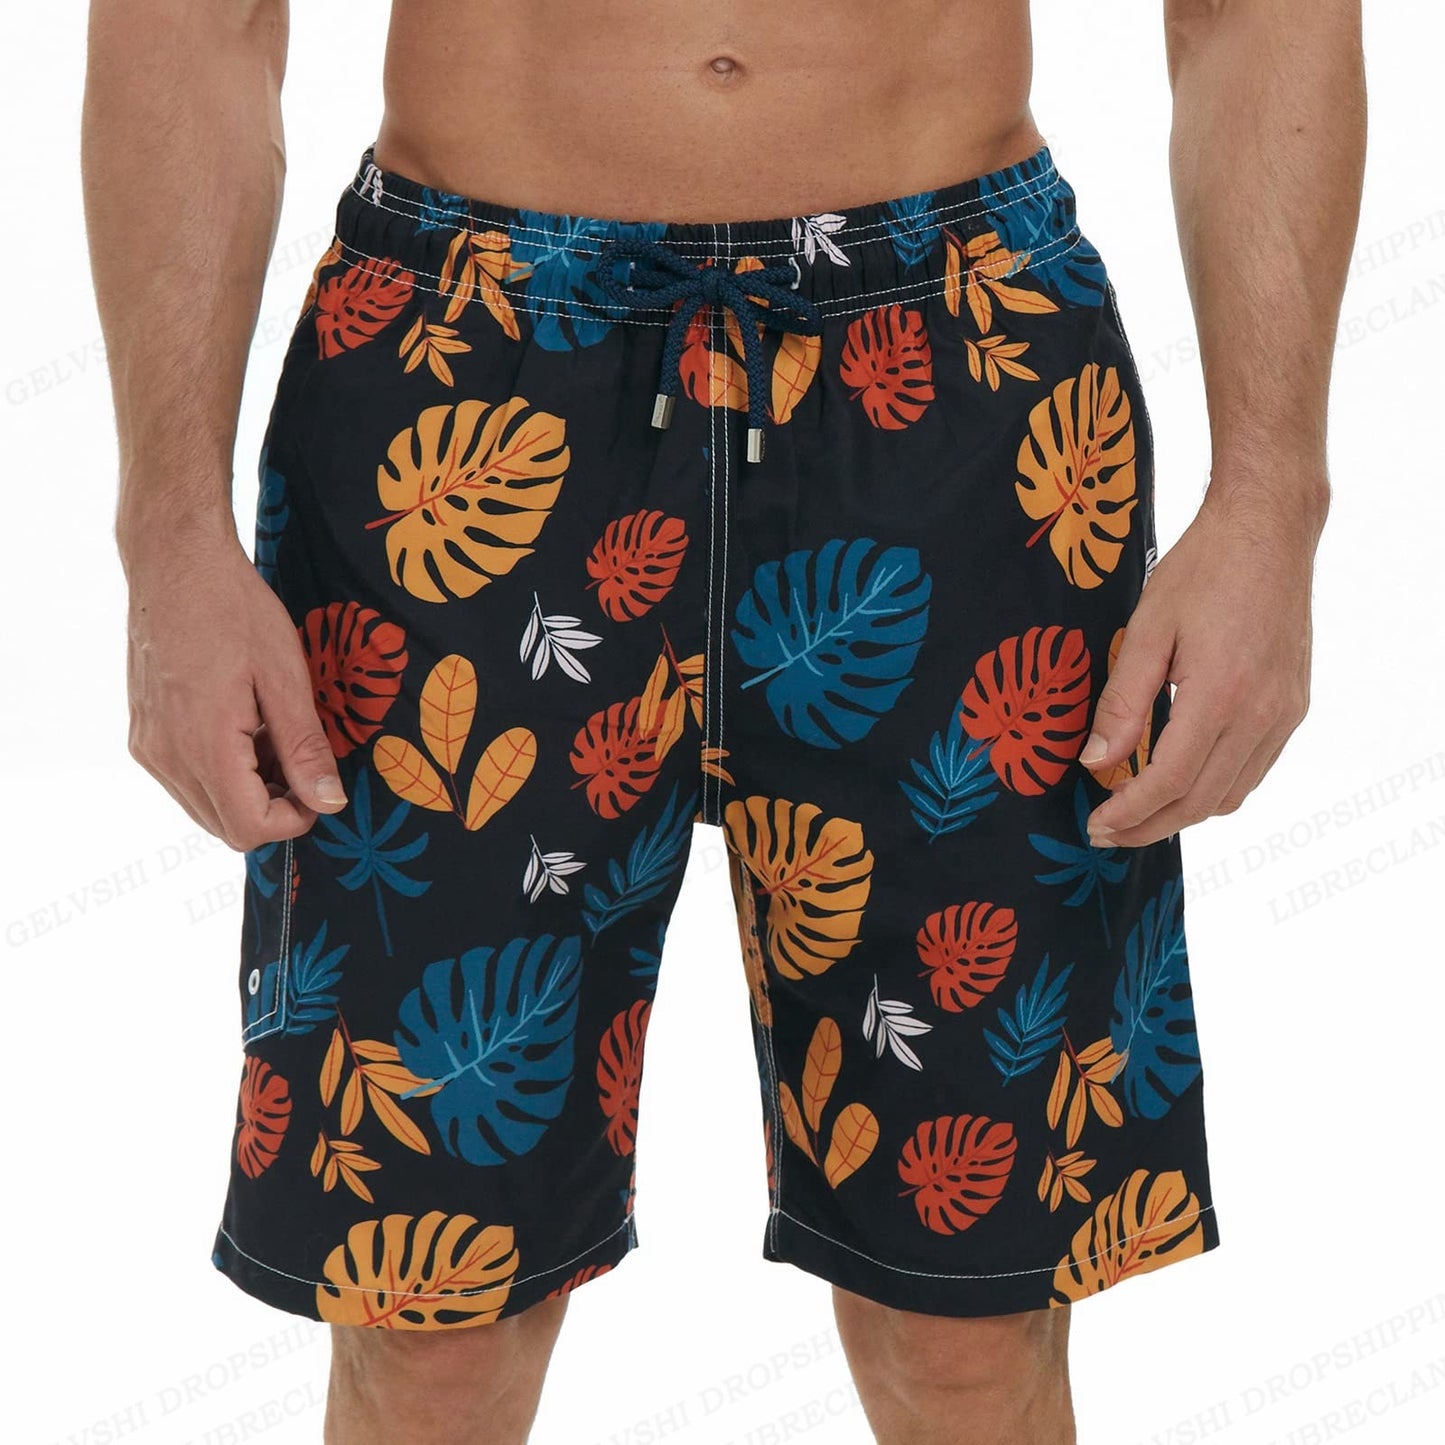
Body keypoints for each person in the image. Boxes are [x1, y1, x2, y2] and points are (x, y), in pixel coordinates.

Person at [81, 2, 1365, 1441]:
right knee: (426, 1315)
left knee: (970, 1315)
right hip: (466, 353)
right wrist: (167, 530)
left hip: (956, 369)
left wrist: (1274, 499)